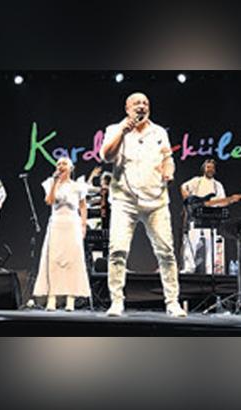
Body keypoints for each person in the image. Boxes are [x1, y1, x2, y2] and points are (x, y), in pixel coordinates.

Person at [99, 92, 187, 317]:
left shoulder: (159, 132)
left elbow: (168, 158)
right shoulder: (114, 129)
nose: (142, 106)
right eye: (137, 103)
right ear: (127, 108)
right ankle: (116, 301)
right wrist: (123, 132)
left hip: (156, 200)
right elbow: (106, 156)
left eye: (145, 103)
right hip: (124, 199)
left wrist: (169, 171)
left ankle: (172, 302)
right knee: (117, 251)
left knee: (166, 252)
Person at [32, 156, 92, 311]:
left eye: (64, 163)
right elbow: (49, 201)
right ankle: (51, 298)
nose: (60, 166)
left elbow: (83, 206)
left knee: (72, 260)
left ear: (71, 168)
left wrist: (83, 225)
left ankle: (70, 298)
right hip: (56, 224)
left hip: (72, 224)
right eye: (58, 164)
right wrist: (54, 183)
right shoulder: (50, 183)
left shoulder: (78, 186)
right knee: (53, 260)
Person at [180, 159, 226, 273]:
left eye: (212, 168)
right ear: (204, 169)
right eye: (208, 167)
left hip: (210, 217)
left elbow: (223, 201)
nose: (210, 169)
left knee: (211, 244)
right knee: (191, 241)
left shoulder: (217, 185)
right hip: (196, 215)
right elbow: (183, 187)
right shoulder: (197, 181)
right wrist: (187, 199)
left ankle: (210, 269)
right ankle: (189, 267)